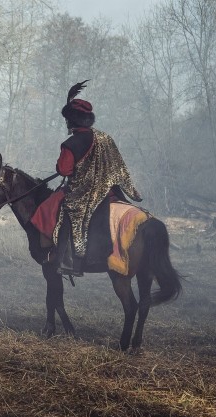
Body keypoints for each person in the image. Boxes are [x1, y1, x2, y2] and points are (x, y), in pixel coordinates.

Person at [30, 81, 142, 276]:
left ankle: (65, 260)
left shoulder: (71, 143)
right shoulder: (104, 137)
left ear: (72, 121)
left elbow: (64, 170)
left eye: (67, 120)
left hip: (83, 192)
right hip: (110, 190)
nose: (66, 123)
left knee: (60, 210)